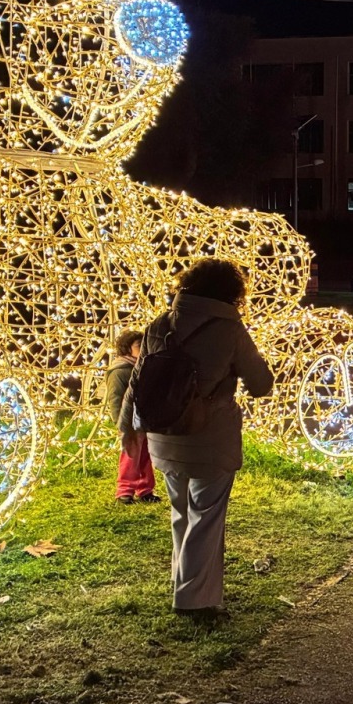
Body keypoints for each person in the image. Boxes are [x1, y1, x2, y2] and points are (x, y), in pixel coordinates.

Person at [141, 258, 275, 620]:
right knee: (206, 516)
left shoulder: (160, 324)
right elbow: (261, 384)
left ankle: (182, 582)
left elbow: (140, 380)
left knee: (181, 513)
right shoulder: (230, 330)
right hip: (209, 437)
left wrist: (132, 429)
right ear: (232, 291)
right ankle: (194, 601)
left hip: (164, 435)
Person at [104, 329, 157, 504]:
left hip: (145, 418)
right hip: (129, 420)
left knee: (146, 455)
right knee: (131, 456)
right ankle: (125, 491)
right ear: (127, 348)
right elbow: (115, 397)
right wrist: (120, 422)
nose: (142, 349)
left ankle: (145, 490)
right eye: (138, 345)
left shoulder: (143, 366)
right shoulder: (119, 370)